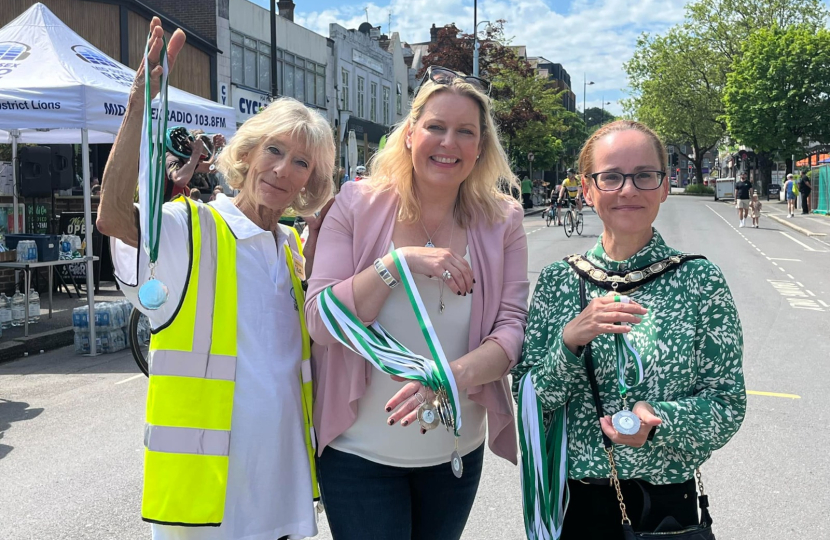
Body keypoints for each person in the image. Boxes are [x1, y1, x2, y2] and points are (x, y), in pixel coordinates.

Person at [96, 17, 335, 540]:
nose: (282, 170)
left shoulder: (296, 250)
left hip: (283, 485)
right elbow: (114, 217)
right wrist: (140, 102)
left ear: (309, 182)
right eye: (274, 151)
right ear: (247, 155)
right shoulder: (191, 227)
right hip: (208, 502)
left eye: (301, 163)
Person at [305, 65, 529, 540]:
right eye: (435, 127)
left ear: (480, 148)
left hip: (454, 453)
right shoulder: (356, 204)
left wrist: (447, 378)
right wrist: (399, 264)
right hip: (358, 456)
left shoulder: (502, 219)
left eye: (465, 132)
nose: (449, 142)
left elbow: (511, 329)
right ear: (409, 134)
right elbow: (321, 319)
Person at [512, 120, 745, 539]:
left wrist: (659, 421)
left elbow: (727, 404)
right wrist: (570, 342)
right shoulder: (559, 280)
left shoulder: (699, 279)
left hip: (666, 506)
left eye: (644, 176)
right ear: (586, 189)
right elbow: (530, 399)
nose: (628, 189)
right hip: (574, 504)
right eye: (612, 176)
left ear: (665, 186)